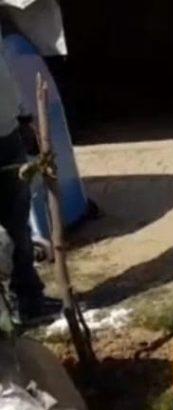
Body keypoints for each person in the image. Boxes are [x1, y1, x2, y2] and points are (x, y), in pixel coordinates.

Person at [0, 23, 59, 323]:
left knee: (18, 222)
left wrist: (23, 119)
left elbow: (4, 75)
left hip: (6, 131)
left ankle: (28, 300)